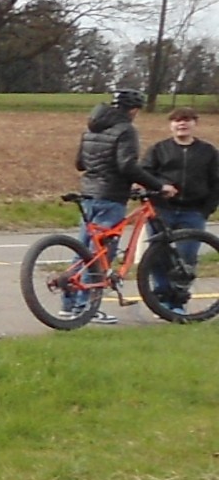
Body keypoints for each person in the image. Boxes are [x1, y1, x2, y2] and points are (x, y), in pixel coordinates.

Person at [74, 89, 177, 322]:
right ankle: (88, 308)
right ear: (133, 110)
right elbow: (127, 166)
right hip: (111, 197)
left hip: (88, 194)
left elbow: (80, 163)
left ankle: (70, 305)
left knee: (83, 251)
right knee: (102, 254)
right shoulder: (126, 130)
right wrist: (159, 186)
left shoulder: (91, 127)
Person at [144, 105, 216, 294]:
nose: (181, 123)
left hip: (193, 212)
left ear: (194, 123)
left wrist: (206, 209)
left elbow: (216, 182)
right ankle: (161, 295)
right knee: (158, 256)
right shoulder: (158, 149)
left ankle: (179, 299)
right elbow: (145, 174)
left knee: (187, 257)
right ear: (171, 125)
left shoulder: (208, 151)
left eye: (186, 119)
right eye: (177, 120)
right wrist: (158, 190)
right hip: (162, 210)